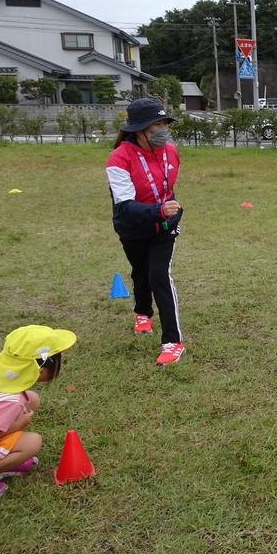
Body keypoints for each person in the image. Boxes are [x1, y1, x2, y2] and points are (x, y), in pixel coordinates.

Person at [106, 98, 186, 366]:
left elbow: (166, 188)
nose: (162, 130)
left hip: (164, 227)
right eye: (156, 125)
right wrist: (158, 211)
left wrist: (171, 212)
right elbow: (126, 206)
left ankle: (173, 342)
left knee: (158, 275)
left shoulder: (171, 151)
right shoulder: (119, 158)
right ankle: (142, 312)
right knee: (140, 272)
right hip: (133, 227)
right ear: (139, 130)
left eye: (165, 124)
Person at [0, 325, 76, 503]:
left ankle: (1, 460)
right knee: (32, 443)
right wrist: (18, 425)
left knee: (32, 399)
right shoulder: (9, 401)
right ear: (40, 371)